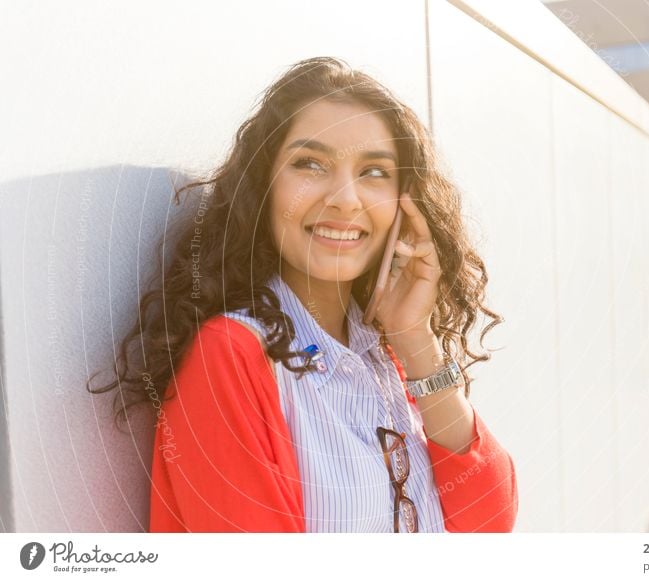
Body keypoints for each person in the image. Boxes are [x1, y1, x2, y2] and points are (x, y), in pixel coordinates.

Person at [89, 56, 517, 532]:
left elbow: (490, 525)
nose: (345, 199)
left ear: (405, 202)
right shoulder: (231, 355)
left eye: (374, 171)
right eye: (310, 164)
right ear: (264, 187)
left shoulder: (386, 356)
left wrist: (416, 340)